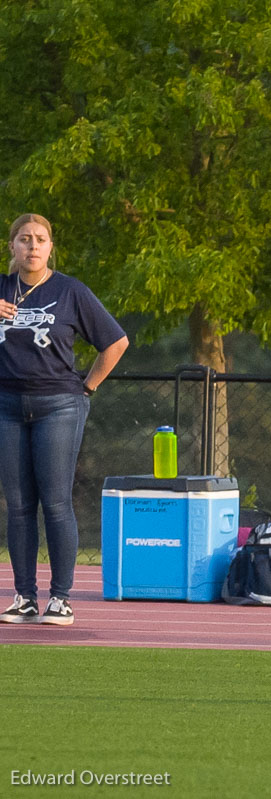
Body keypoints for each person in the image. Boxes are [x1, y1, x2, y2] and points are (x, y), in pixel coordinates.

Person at [0, 213, 129, 625]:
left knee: (55, 502)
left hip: (58, 405)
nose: (32, 246)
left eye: (40, 239)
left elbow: (116, 341)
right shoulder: (1, 289)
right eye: (24, 239)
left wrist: (86, 389)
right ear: (12, 247)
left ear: (51, 246)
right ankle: (24, 597)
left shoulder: (70, 291)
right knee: (19, 506)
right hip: (6, 406)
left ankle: (60, 598)